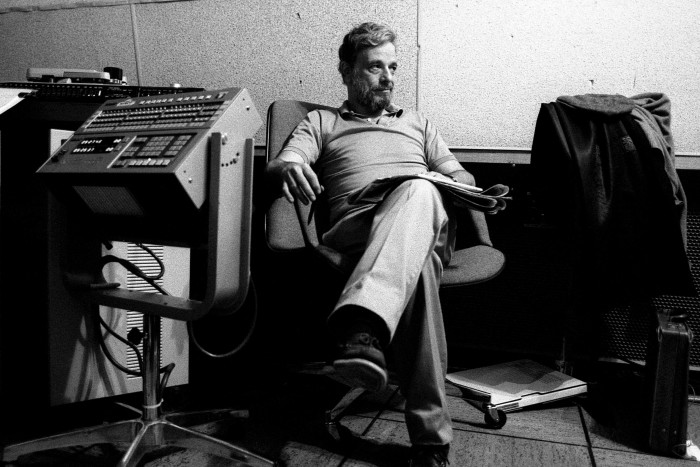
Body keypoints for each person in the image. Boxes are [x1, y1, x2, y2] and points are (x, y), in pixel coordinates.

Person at [266, 21, 491, 467]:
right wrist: (287, 168)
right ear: (346, 71)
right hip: (356, 229)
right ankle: (430, 443)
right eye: (374, 67)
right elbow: (286, 161)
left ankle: (362, 329)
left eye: (393, 67)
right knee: (419, 269)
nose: (388, 77)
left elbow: (458, 173)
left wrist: (465, 185)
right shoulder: (321, 121)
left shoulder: (418, 123)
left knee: (421, 190)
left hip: (426, 220)